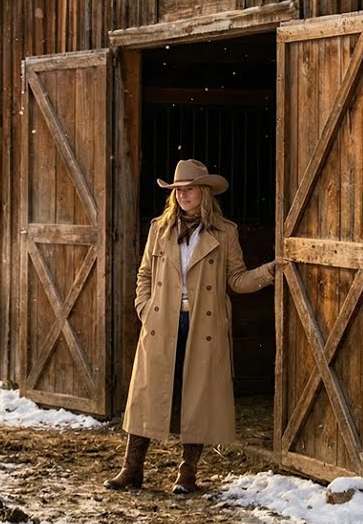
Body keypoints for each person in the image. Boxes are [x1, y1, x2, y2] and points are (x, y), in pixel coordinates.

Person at [104, 159, 277, 494]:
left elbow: (237, 280)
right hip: (161, 323)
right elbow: (144, 276)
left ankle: (187, 474)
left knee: (196, 396)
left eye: (189, 189)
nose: (183, 195)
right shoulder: (160, 229)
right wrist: (146, 309)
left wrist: (268, 272)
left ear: (204, 193)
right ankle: (132, 468)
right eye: (178, 190)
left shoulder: (225, 232)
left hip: (203, 325)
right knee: (147, 393)